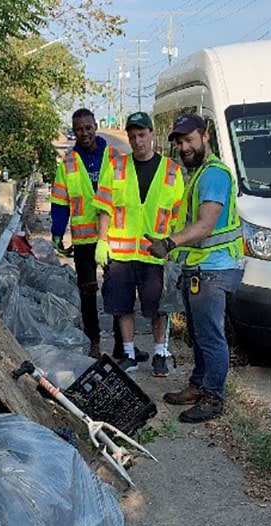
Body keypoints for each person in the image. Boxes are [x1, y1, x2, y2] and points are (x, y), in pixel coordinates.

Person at [147, 113, 245, 423]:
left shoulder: (214, 175)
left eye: (189, 140)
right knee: (198, 333)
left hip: (214, 269)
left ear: (206, 136)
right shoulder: (200, 173)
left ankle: (213, 397)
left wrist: (169, 243)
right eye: (179, 142)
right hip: (201, 268)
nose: (183, 147)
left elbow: (205, 225)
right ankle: (199, 384)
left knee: (210, 336)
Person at [51, 108, 148, 361]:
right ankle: (93, 343)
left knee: (117, 291)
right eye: (79, 129)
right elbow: (60, 201)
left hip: (113, 236)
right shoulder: (69, 163)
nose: (84, 133)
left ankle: (121, 345)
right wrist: (57, 233)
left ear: (96, 126)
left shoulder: (115, 157)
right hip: (84, 239)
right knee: (87, 292)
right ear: (74, 132)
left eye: (88, 127)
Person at [94, 112, 184, 378]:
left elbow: (178, 215)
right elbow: (104, 207)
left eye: (142, 135)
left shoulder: (171, 171)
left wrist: (174, 248)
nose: (137, 141)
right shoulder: (117, 166)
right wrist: (102, 241)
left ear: (152, 134)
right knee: (122, 306)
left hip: (154, 253)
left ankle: (160, 353)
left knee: (158, 308)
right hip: (121, 253)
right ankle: (130, 355)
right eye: (132, 136)